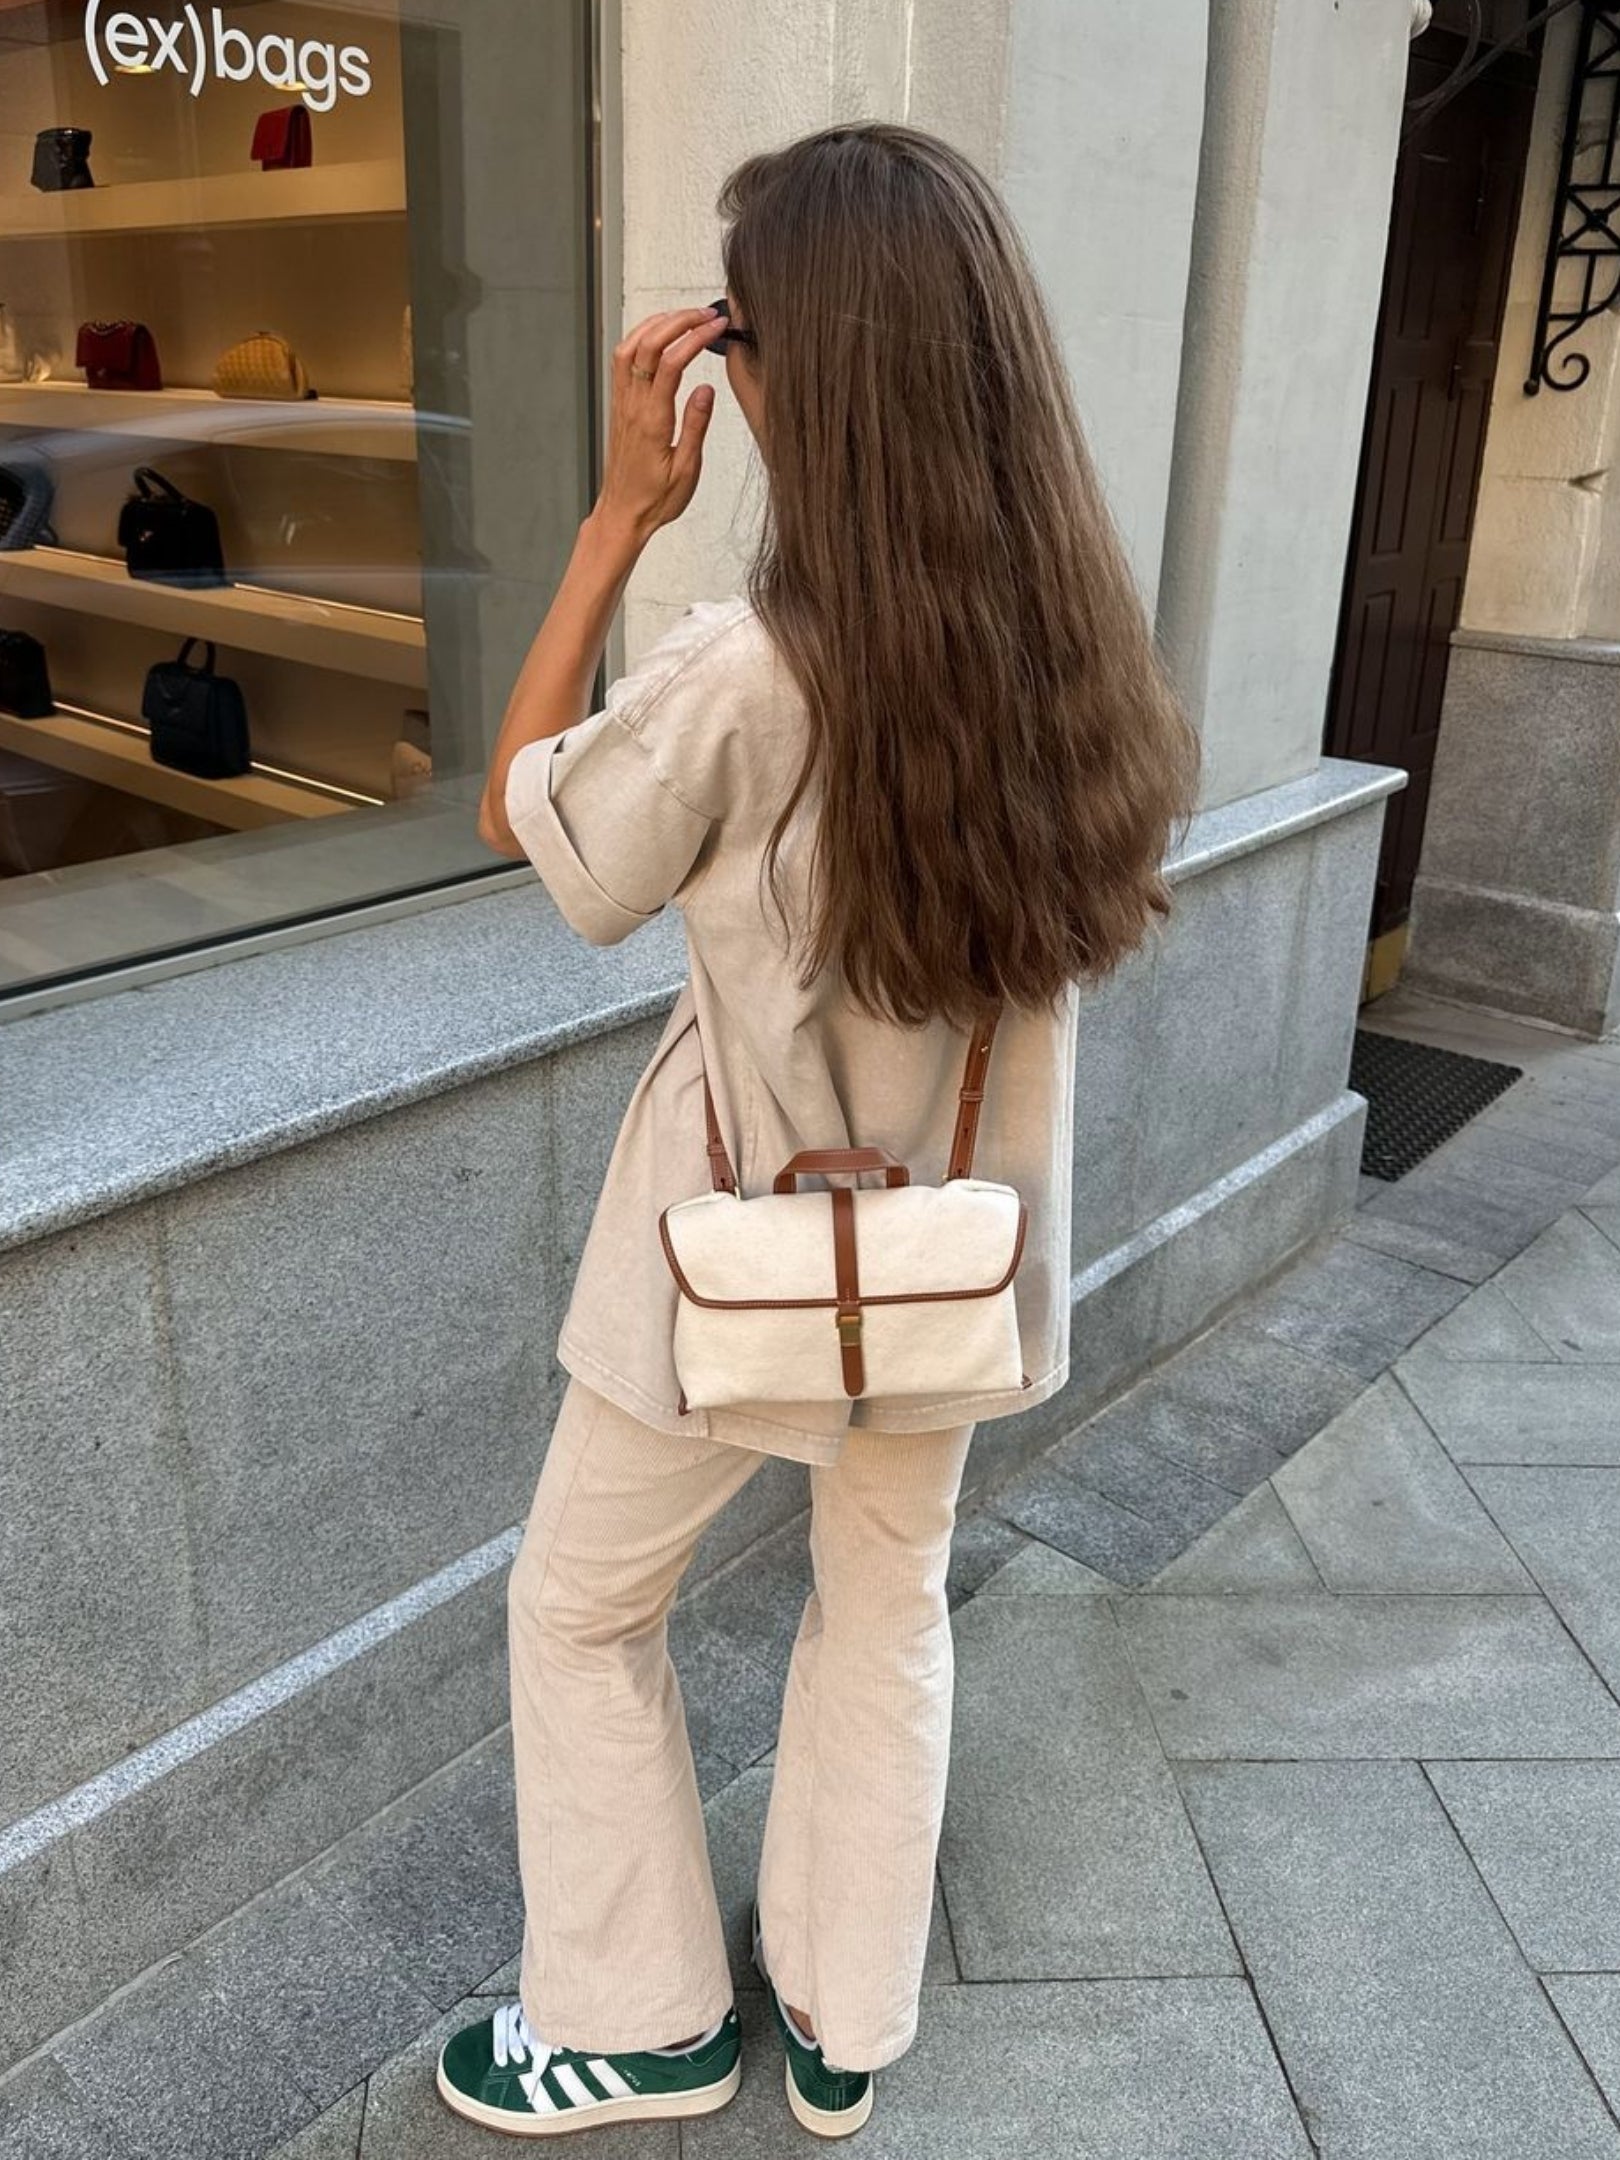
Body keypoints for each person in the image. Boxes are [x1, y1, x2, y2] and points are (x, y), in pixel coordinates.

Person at [436, 120, 1200, 2141]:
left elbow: (528, 819)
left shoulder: (748, 677)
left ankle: (642, 2023)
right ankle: (845, 2022)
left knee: (580, 1607)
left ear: (801, 376)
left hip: (735, 1252)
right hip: (952, 1251)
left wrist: (617, 516)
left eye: (741, 326)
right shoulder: (1073, 657)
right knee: (885, 1603)